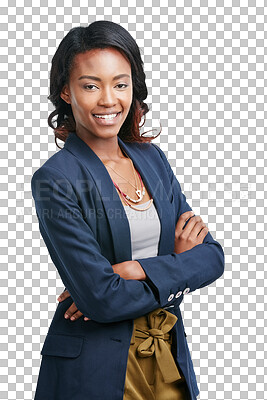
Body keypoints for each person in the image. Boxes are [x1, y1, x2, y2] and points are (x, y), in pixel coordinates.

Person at [31, 20, 225, 400]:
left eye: (120, 84)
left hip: (167, 353)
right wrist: (175, 268)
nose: (108, 99)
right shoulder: (57, 179)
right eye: (90, 85)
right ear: (66, 93)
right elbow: (101, 298)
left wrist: (138, 270)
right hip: (94, 366)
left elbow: (212, 257)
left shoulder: (153, 160)